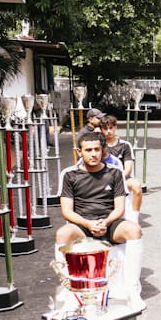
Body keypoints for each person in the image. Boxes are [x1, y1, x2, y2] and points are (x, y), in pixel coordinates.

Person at [56, 132, 143, 299]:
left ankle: (132, 288)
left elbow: (119, 208)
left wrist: (106, 222)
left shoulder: (115, 173)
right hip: (82, 226)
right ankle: (69, 288)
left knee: (134, 230)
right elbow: (66, 211)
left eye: (97, 149)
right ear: (79, 152)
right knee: (62, 234)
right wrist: (88, 224)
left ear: (102, 150)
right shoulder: (69, 175)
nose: (93, 154)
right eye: (88, 150)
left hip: (110, 224)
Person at [99, 115, 142, 217]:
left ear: (115, 127)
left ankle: (134, 216)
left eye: (111, 128)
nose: (109, 131)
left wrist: (116, 180)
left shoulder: (125, 145)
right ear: (101, 130)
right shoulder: (98, 146)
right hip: (102, 178)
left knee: (136, 186)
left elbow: (128, 169)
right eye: (105, 129)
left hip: (123, 178)